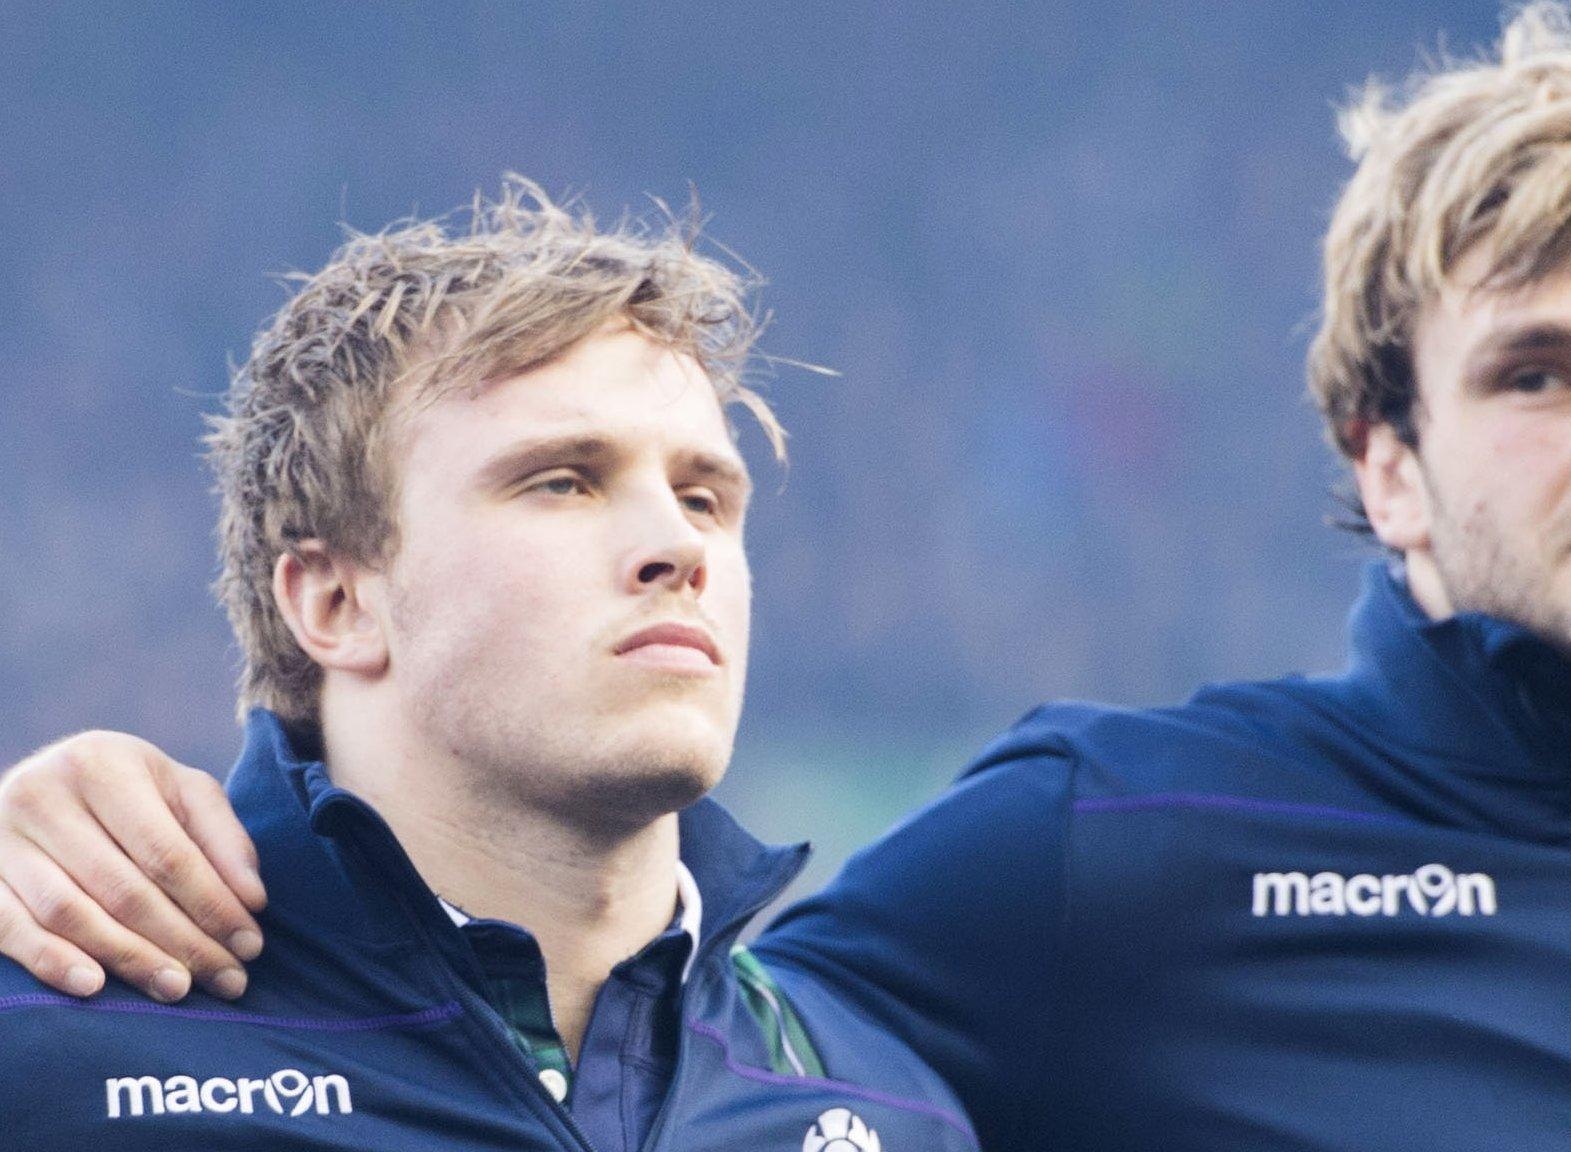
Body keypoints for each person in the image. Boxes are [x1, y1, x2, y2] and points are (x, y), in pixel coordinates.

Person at [4, 5, 1571, 1149]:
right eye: (1535, 371)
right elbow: (559, 997)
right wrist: (74, 821)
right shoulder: (1114, 851)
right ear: (1384, 461)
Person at [0, 185, 975, 1150]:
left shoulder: (888, 1105)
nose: (678, 546)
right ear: (336, 602)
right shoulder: (53, 1046)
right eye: (561, 482)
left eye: (704, 497)